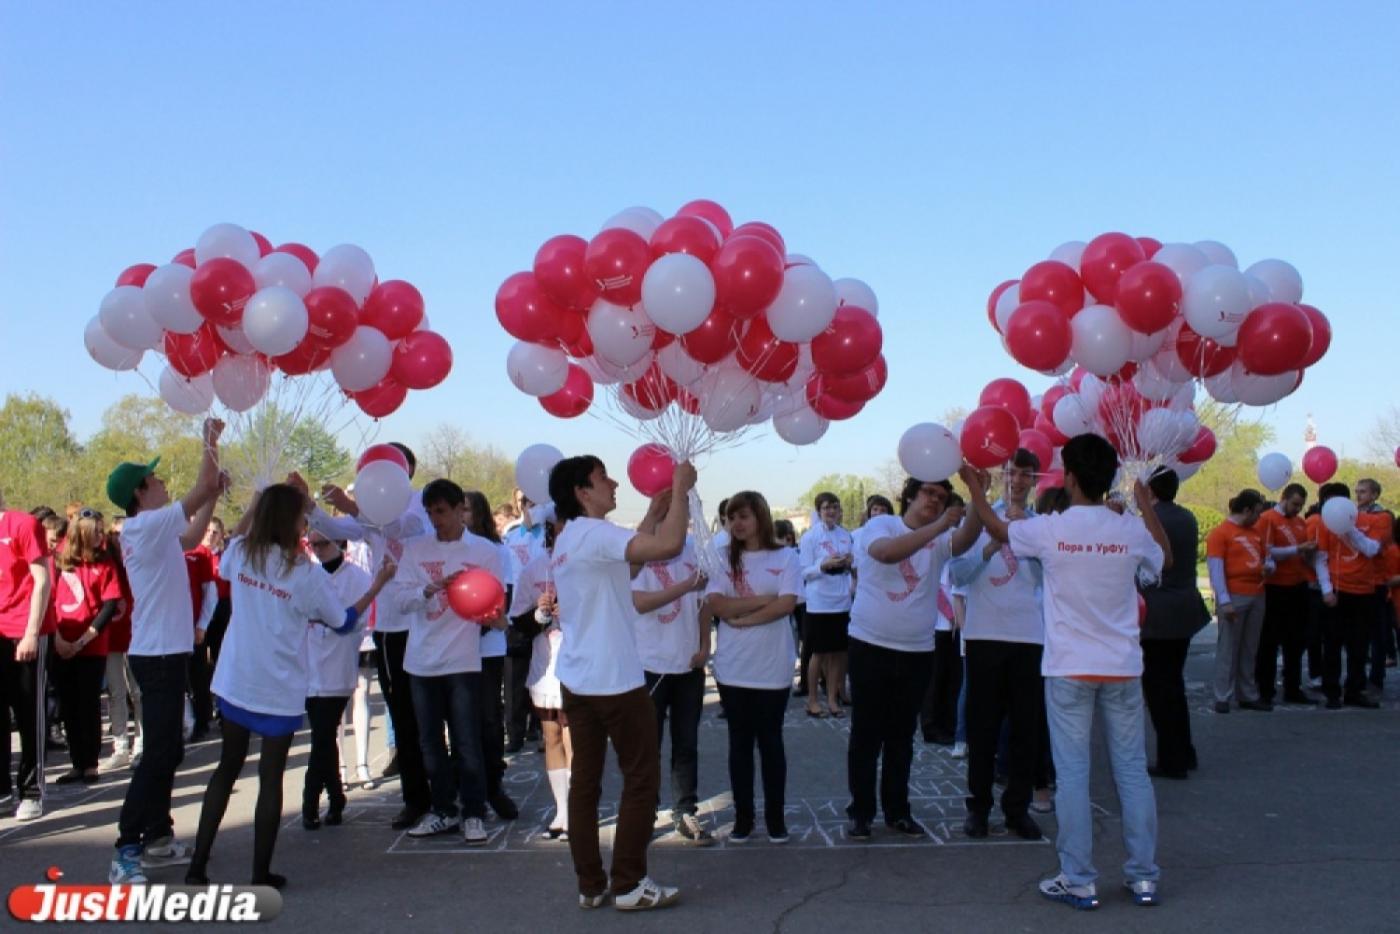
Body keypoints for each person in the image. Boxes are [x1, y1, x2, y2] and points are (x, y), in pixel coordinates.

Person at [962, 434, 1170, 910]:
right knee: (1133, 773)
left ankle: (1078, 877)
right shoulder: (1127, 528)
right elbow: (1165, 562)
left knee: (1073, 775)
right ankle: (1143, 878)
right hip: (1122, 667)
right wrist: (1144, 507)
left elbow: (996, 527)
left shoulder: (1053, 529)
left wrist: (974, 488)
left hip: (1069, 669)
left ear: (1070, 477)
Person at [185, 483, 394, 888]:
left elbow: (231, 552)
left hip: (235, 678)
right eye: (301, 516)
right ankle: (259, 873)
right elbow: (344, 621)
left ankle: (198, 864)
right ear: (290, 521)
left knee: (225, 770)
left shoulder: (243, 553)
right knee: (270, 777)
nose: (305, 524)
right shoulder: (305, 573)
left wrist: (251, 504)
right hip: (277, 686)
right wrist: (377, 586)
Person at [548, 454, 695, 911]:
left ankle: (591, 884)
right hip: (613, 677)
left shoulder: (571, 537)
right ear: (581, 491)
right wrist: (682, 489)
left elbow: (624, 569)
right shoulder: (593, 533)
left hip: (579, 676)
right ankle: (629, 883)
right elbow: (670, 547)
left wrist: (651, 515)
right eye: (602, 478)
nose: (613, 483)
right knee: (640, 778)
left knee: (586, 783)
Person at [108, 417, 226, 885]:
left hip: (168, 652)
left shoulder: (154, 531)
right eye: (155, 480)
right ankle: (126, 849)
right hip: (156, 656)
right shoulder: (144, 527)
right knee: (159, 753)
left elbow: (194, 537)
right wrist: (209, 443)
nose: (161, 483)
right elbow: (198, 487)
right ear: (140, 492)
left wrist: (214, 492)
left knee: (170, 749)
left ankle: (157, 836)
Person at [303, 444, 432, 830]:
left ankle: (445, 794)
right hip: (391, 631)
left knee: (428, 716)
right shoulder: (370, 519)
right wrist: (308, 504)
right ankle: (416, 798)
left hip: (421, 625)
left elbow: (397, 529)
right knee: (404, 718)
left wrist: (353, 505)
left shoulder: (417, 504)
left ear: (403, 472)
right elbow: (335, 529)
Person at [844, 476, 977, 840]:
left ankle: (897, 810)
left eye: (942, 496)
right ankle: (861, 811)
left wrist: (977, 495)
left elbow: (964, 541)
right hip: (870, 643)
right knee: (866, 734)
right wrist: (938, 525)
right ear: (909, 495)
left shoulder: (939, 536)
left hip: (917, 649)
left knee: (902, 736)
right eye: (928, 493)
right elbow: (887, 553)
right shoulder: (881, 524)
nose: (935, 500)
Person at [393, 480, 506, 844]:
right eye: (430, 512)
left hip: (462, 660)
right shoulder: (414, 549)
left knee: (467, 740)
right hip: (421, 661)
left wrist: (491, 616)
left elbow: (496, 607)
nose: (436, 519)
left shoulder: (485, 551)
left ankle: (473, 812)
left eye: (442, 511)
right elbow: (399, 599)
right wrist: (432, 587)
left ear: (461, 510)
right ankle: (443, 809)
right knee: (430, 742)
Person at [949, 449, 1047, 841]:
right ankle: (978, 808)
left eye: (1025, 474)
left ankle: (1017, 808)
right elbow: (958, 573)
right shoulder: (980, 519)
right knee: (981, 728)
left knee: (1026, 728)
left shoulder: (1042, 525)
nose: (1017, 480)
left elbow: (1048, 577)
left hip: (1028, 636)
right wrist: (990, 547)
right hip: (985, 634)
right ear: (1000, 475)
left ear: (1034, 480)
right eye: (1010, 473)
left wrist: (1028, 540)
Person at [705, 492, 800, 845]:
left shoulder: (786, 556)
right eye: (731, 518)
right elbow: (718, 604)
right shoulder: (720, 557)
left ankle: (776, 818)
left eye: (743, 516)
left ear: (760, 516)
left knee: (771, 742)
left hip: (772, 665)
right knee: (739, 744)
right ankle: (743, 818)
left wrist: (744, 620)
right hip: (733, 667)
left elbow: (787, 604)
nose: (736, 524)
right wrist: (762, 601)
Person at [631, 496, 712, 845]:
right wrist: (685, 586)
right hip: (649, 664)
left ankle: (685, 811)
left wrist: (705, 644)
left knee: (687, 743)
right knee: (647, 744)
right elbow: (639, 602)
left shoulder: (693, 549)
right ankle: (643, 813)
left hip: (687, 664)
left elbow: (704, 600)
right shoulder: (642, 550)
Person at [1139, 467, 1211, 779]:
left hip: (1158, 612)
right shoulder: (1188, 518)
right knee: (1174, 684)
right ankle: (1184, 750)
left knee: (1159, 688)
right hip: (1184, 608)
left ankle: (1172, 758)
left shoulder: (1150, 522)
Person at [301, 533, 372, 829]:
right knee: (323, 734)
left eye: (323, 544)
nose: (318, 550)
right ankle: (335, 795)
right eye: (313, 545)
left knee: (323, 732)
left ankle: (311, 798)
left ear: (340, 544)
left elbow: (352, 619)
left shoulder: (357, 577)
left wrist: (330, 618)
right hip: (309, 664)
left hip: (339, 662)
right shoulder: (309, 574)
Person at [508, 520, 569, 838]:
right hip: (544, 665)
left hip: (579, 664)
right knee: (552, 736)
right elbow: (518, 622)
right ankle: (561, 811)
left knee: (575, 739)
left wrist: (569, 608)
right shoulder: (534, 568)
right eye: (556, 525)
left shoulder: (586, 562)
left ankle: (576, 812)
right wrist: (541, 613)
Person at [51, 507, 121, 785]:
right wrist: (58, 638)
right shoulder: (59, 561)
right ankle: (76, 762)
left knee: (88, 703)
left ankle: (91, 762)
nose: (100, 536)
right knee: (68, 705)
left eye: (102, 532)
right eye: (95, 532)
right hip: (61, 642)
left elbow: (109, 605)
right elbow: (47, 599)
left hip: (91, 645)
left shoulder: (104, 562)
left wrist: (82, 640)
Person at [463, 489, 519, 821]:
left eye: (467, 510)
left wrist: (486, 619)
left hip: (488, 648)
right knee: (461, 722)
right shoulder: (452, 550)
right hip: (456, 649)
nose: (463, 516)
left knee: (488, 719)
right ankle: (468, 790)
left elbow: (504, 597)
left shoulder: (499, 551)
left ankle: (493, 786)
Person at [0, 486, 54, 821]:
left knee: (28, 709)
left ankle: (32, 790)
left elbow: (42, 579)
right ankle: (2, 789)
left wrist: (32, 632)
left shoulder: (21, 524)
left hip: (24, 628)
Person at [1313, 484, 1385, 709]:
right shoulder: (1326, 524)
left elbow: (1372, 549)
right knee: (1332, 644)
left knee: (1359, 645)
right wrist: (1326, 590)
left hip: (1363, 592)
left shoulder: (1375, 520)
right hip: (1337, 591)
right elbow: (1321, 558)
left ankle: (1355, 690)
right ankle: (1331, 692)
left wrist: (1349, 528)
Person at [1207, 489, 1270, 713]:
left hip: (1257, 593)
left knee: (1250, 648)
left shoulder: (1255, 532)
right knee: (1228, 648)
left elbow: (1264, 557)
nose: (1259, 518)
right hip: (1234, 595)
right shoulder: (1221, 533)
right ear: (1246, 510)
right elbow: (1216, 570)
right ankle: (1222, 695)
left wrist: (1267, 567)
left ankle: (1247, 693)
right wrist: (1224, 601)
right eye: (1257, 513)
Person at [1253, 483, 1316, 705]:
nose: (1297, 509)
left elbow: (1301, 551)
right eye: (1294, 504)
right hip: (1275, 586)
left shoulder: (1300, 522)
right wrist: (1297, 550)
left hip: (1298, 585)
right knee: (1269, 641)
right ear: (1284, 498)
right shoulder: (1268, 519)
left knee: (1296, 641)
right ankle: (1265, 689)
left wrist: (1308, 553)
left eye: (1300, 505)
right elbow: (1267, 552)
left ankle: (1292, 687)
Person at [798, 492, 854, 719]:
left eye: (834, 507)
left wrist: (849, 563)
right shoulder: (810, 537)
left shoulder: (845, 535)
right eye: (826, 507)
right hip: (819, 602)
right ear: (819, 511)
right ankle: (812, 699)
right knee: (819, 653)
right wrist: (823, 565)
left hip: (841, 601)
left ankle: (832, 698)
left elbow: (853, 563)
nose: (831, 511)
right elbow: (803, 571)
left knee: (839, 653)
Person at [502, 495, 548, 753]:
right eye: (526, 504)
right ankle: (515, 732)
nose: (530, 509)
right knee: (514, 677)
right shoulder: (512, 534)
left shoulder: (548, 533)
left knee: (541, 670)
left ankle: (540, 727)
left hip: (542, 606)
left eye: (535, 504)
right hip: (516, 611)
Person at [101, 520, 141, 772]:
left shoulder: (137, 560)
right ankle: (120, 746)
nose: (118, 538)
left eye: (122, 534)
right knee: (115, 693)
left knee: (138, 692)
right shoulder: (106, 563)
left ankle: (141, 744)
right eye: (114, 534)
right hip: (112, 635)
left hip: (137, 634)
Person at [1355, 479, 1394, 692]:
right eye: (1357, 491)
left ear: (1375, 494)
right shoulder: (1352, 515)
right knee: (1359, 634)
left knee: (1378, 634)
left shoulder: (1382, 517)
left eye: (1363, 492)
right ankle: (1358, 676)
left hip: (1377, 581)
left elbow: (1374, 547)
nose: (1359, 496)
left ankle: (1376, 677)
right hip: (1358, 580)